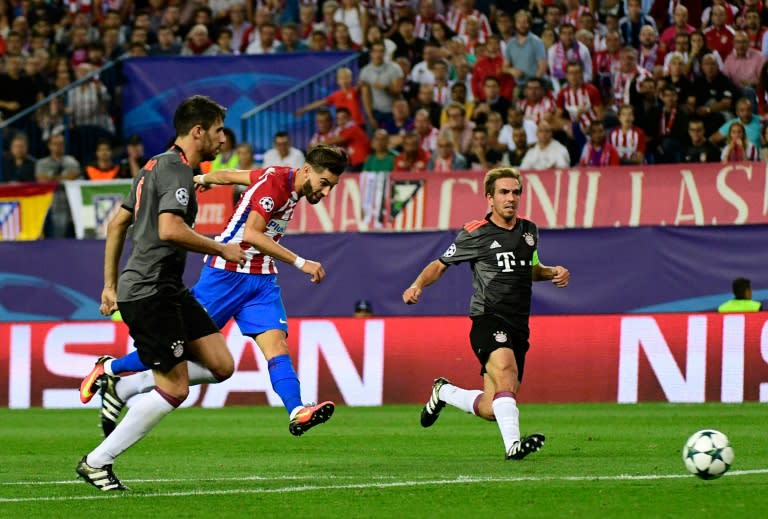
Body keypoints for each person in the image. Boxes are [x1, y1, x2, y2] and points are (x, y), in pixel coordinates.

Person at [79, 144, 348, 443]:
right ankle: (109, 368)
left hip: (261, 281)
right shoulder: (275, 184)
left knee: (277, 348)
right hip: (225, 274)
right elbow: (252, 235)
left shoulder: (282, 177)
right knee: (176, 344)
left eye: (331, 187)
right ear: (307, 170)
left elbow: (235, 176)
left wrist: (204, 180)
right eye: (324, 184)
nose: (325, 193)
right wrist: (301, 262)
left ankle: (296, 409)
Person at [75, 95, 247, 492]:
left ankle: (118, 376)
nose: (223, 139)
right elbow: (170, 230)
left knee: (222, 365)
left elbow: (117, 224)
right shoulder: (177, 172)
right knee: (175, 388)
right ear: (198, 131)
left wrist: (109, 285)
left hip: (168, 289)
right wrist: (221, 248)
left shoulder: (152, 166)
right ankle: (97, 461)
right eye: (219, 130)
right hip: (150, 292)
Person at [402, 167, 570, 460]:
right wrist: (417, 285)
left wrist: (552, 271)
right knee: (505, 373)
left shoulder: (528, 231)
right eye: (504, 192)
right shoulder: (475, 232)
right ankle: (513, 447)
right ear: (489, 197)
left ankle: (444, 393)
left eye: (516, 192)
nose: (511, 198)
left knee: (495, 408)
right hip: (488, 317)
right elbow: (441, 264)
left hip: (519, 324)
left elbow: (528, 270)